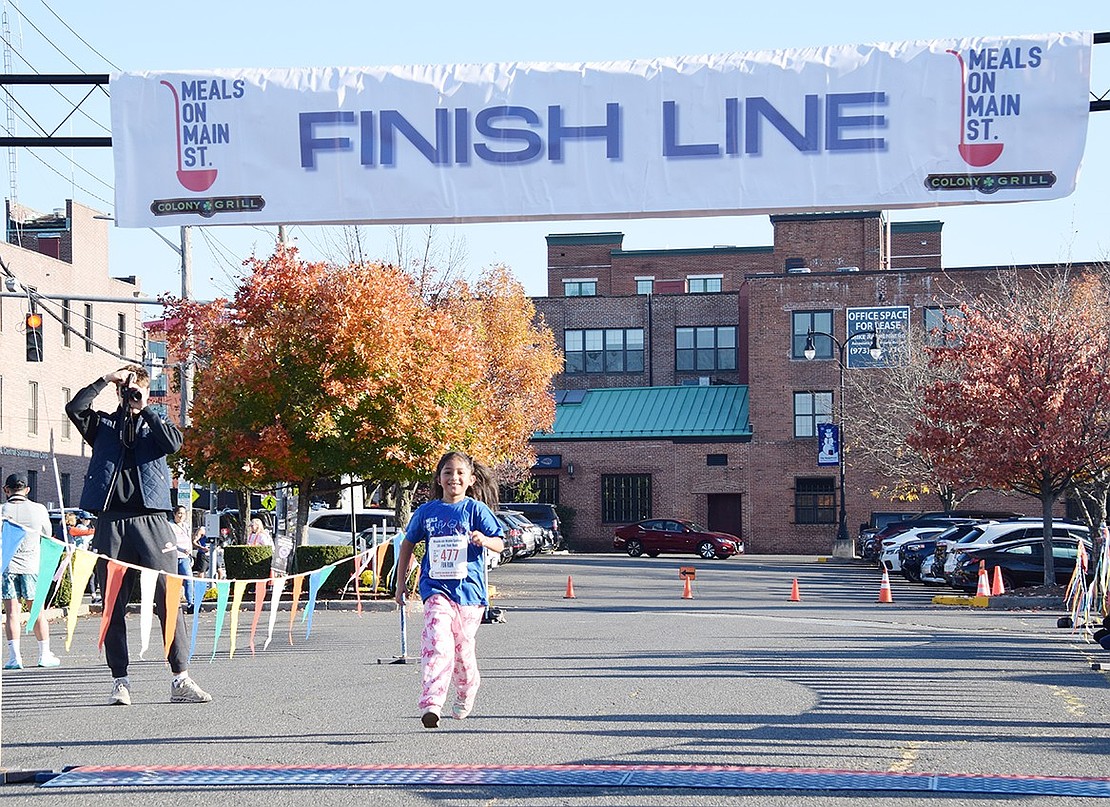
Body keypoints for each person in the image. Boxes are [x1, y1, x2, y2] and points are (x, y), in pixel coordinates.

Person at [65, 365, 211, 706]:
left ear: (146, 392)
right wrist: (105, 380)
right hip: (111, 521)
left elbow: (175, 443)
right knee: (112, 604)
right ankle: (120, 681)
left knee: (168, 598)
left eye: (137, 391)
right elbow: (75, 409)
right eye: (127, 391)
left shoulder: (154, 425)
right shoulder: (103, 425)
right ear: (119, 392)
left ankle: (180, 678)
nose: (130, 396)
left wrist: (145, 407)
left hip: (152, 520)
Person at [393, 452, 504, 729]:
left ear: (470, 479)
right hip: (435, 589)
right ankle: (432, 703)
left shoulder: (476, 510)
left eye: (459, 473)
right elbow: (407, 544)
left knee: (462, 650)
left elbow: (500, 544)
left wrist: (484, 539)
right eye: (447, 472)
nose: (453, 477)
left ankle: (468, 689)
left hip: (469, 593)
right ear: (439, 478)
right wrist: (401, 583)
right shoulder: (426, 512)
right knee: (437, 644)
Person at [1, 474, 61, 669]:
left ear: (6, 490)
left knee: (12, 613)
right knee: (37, 611)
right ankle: (44, 654)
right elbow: (46, 533)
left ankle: (14, 657)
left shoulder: (2, 511)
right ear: (27, 490)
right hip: (32, 565)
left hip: (7, 566)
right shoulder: (39, 510)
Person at [169, 506, 194, 611]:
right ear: (174, 514)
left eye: (183, 513)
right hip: (174, 557)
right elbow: (170, 542)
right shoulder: (170, 526)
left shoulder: (186, 526)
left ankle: (190, 603)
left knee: (189, 579)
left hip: (185, 558)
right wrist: (181, 549)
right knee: (174, 581)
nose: (181, 516)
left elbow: (189, 541)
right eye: (179, 513)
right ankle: (173, 603)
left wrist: (190, 553)